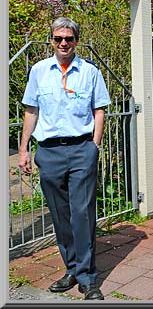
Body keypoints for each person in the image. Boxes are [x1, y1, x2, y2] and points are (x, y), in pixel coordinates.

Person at [18, 17, 110, 300]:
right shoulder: (39, 71)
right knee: (60, 215)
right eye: (58, 39)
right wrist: (23, 149)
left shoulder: (90, 72)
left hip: (81, 149)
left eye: (69, 38)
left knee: (82, 213)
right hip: (49, 152)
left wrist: (94, 145)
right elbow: (31, 110)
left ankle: (87, 277)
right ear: (52, 41)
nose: (64, 43)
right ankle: (71, 268)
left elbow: (99, 109)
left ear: (76, 41)